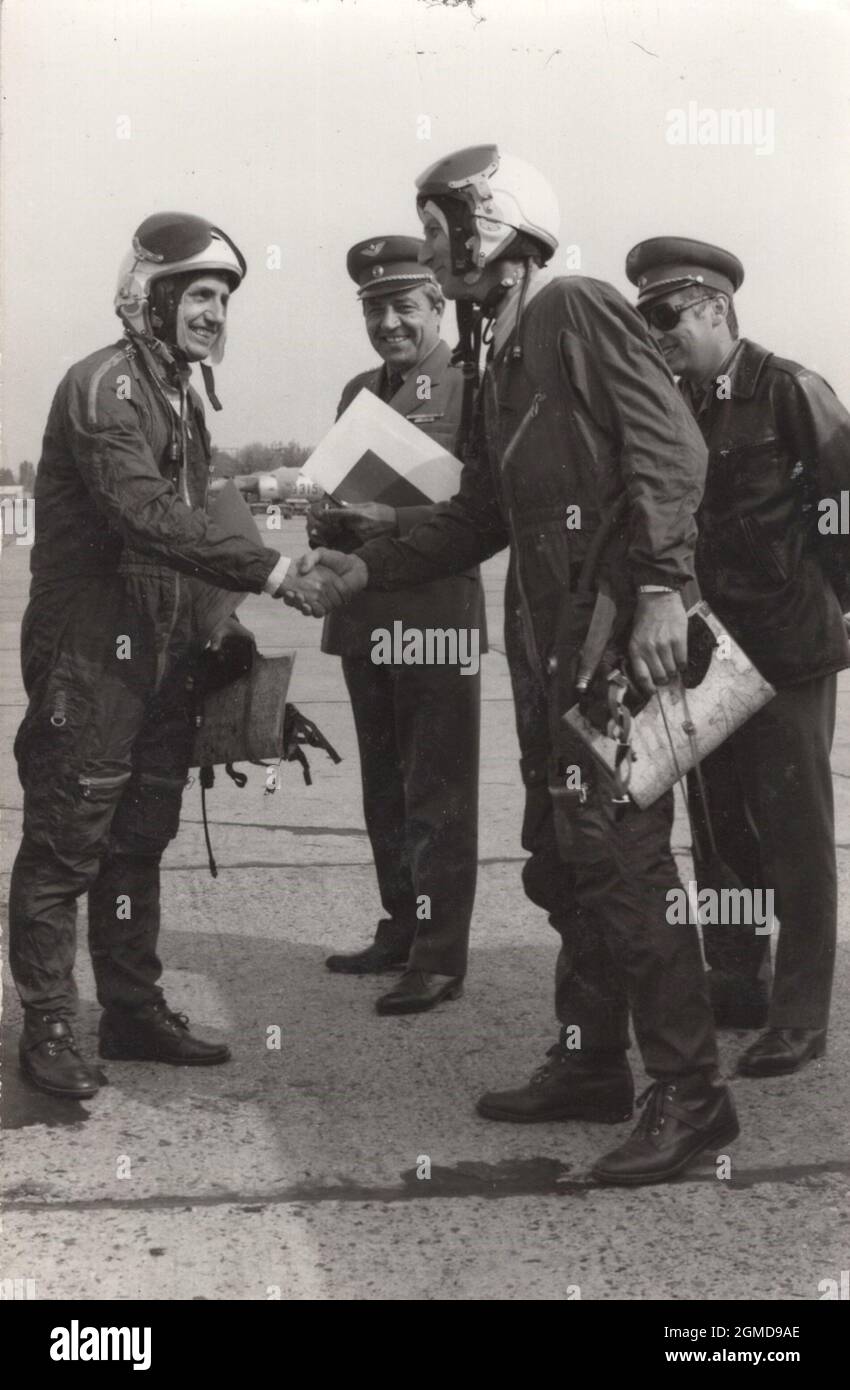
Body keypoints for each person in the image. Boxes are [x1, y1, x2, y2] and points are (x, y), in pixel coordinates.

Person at [305, 145, 739, 1185]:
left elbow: (672, 447)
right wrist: (359, 569)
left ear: (493, 223)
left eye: (442, 224)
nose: (434, 243)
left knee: (622, 859)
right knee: (562, 854)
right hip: (553, 646)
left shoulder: (576, 309)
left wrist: (657, 587)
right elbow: (476, 518)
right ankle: (591, 1061)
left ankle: (691, 1099)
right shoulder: (500, 351)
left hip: (614, 635)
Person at [9, 212, 353, 1102]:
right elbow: (148, 518)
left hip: (160, 657)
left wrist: (223, 632)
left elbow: (195, 533)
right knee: (65, 842)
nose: (214, 314)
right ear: (150, 299)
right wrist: (278, 572)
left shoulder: (183, 401)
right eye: (198, 294)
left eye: (223, 299)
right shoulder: (105, 389)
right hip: (90, 660)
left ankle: (129, 1010)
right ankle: (48, 1024)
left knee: (137, 841)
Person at [626, 237, 850, 1074]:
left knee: (794, 832)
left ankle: (800, 1013)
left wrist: (830, 607)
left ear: (716, 308)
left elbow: (844, 503)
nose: (654, 334)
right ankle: (737, 977)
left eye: (665, 316)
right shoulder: (671, 401)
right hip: (705, 657)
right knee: (719, 829)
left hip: (786, 651)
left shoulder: (788, 389)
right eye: (642, 318)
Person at [311, 237, 486, 1014]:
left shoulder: (474, 388)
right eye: (375, 309)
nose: (388, 323)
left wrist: (389, 513)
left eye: (403, 307)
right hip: (365, 615)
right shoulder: (357, 392)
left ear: (438, 308)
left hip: (436, 618)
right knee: (384, 784)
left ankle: (440, 954)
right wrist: (328, 522)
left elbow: (487, 510)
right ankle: (400, 925)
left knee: (438, 788)